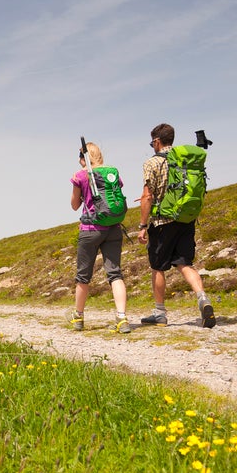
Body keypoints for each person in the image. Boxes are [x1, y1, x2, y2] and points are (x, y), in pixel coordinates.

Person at [137, 123, 216, 328]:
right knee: (184, 264)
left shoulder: (152, 163)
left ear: (156, 141)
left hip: (163, 222)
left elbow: (147, 196)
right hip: (185, 219)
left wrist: (142, 225)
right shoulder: (185, 161)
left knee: (157, 267)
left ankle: (160, 313)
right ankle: (203, 298)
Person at [69, 142, 131, 333]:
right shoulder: (112, 171)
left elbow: (74, 205)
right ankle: (122, 317)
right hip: (113, 227)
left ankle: (78, 317)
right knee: (115, 274)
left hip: (90, 229)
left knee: (83, 276)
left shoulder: (81, 175)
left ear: (83, 158)